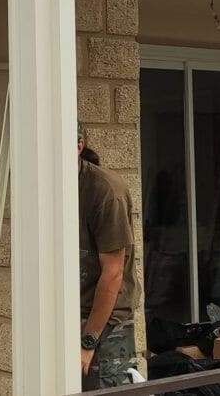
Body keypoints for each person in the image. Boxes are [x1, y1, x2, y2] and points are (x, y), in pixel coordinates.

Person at [78, 123, 141, 389]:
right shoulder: (50, 186)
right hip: (67, 313)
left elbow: (113, 272)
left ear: (79, 145)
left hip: (106, 323)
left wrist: (88, 341)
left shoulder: (106, 191)